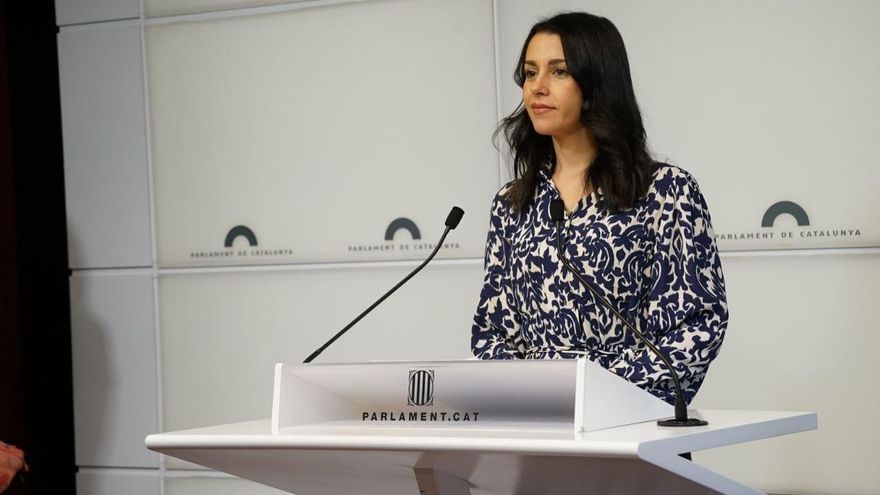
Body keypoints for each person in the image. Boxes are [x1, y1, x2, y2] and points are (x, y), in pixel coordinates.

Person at [470, 11, 728, 406]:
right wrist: (528, 404)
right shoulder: (511, 204)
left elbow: (696, 324)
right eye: (530, 72)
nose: (537, 87)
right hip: (538, 432)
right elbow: (494, 332)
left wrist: (597, 396)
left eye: (558, 72)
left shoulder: (663, 191)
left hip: (629, 428)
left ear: (596, 83)